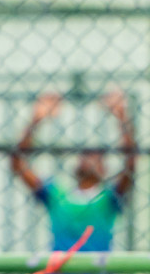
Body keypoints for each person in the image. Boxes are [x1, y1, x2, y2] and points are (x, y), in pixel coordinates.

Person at [12, 90, 135, 252]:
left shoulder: (109, 197)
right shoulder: (57, 193)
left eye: (96, 155)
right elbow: (19, 165)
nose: (88, 157)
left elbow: (131, 165)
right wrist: (36, 120)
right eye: (85, 154)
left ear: (104, 169)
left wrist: (121, 118)